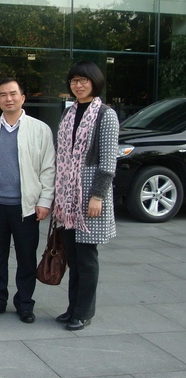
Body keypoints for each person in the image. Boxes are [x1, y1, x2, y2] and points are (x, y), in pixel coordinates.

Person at [0, 78, 55, 323]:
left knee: (26, 257)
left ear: (22, 98)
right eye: (3, 95)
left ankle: (25, 303)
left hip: (26, 207)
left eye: (13, 94)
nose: (9, 98)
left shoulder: (40, 129)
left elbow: (48, 168)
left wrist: (45, 200)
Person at [54, 60, 118, 331]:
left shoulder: (106, 115)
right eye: (74, 81)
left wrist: (97, 196)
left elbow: (108, 161)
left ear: (94, 82)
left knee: (87, 257)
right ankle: (73, 308)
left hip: (91, 193)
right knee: (73, 257)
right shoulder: (69, 113)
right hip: (68, 196)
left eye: (83, 80)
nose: (78, 85)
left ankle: (84, 311)